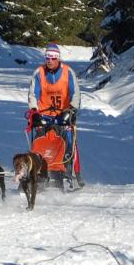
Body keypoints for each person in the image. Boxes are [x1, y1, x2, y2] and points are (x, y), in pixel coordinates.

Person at [27, 42, 84, 189]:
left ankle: (70, 174)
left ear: (58, 58)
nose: (50, 60)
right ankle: (38, 172)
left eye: (53, 57)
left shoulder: (68, 72)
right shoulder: (39, 72)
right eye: (47, 57)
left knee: (69, 142)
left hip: (63, 114)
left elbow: (75, 93)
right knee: (40, 142)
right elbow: (33, 94)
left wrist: (71, 109)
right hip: (44, 114)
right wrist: (34, 110)